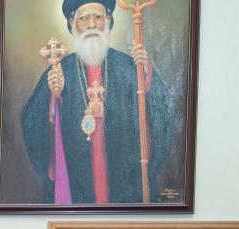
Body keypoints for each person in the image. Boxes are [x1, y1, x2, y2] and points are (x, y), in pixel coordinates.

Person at [20, 0, 175, 204]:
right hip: (77, 185)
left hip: (125, 185)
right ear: (72, 24)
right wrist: (53, 98)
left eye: (98, 17)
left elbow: (163, 110)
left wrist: (146, 77)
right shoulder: (59, 70)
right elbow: (32, 122)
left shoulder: (128, 66)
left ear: (108, 20)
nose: (92, 24)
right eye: (84, 18)